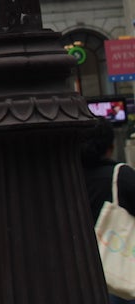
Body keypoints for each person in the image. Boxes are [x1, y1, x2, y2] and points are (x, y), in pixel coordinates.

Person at [81, 116, 135, 304]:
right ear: (110, 147)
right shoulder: (121, 176)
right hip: (118, 271)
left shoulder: (69, 179)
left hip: (81, 275)